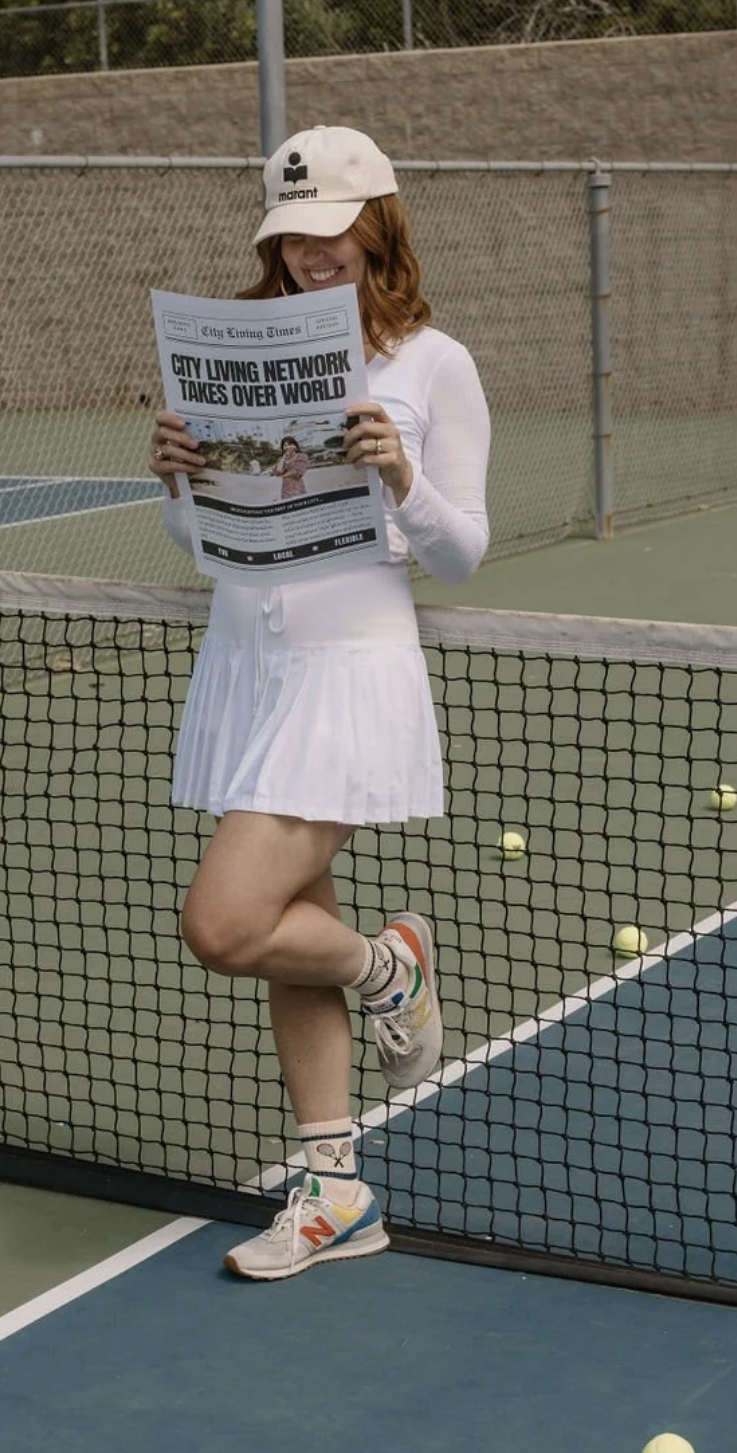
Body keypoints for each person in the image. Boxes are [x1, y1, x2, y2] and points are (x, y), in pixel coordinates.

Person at [149, 124, 491, 1281]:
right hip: (247, 665)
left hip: (351, 673)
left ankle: (389, 967)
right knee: (288, 937)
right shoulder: (241, 350)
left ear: (378, 226)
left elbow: (462, 554)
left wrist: (401, 473)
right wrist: (181, 484)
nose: (310, 252)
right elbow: (208, 541)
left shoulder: (435, 364)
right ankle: (335, 1189)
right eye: (292, 235)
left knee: (225, 924)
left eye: (331, 230)